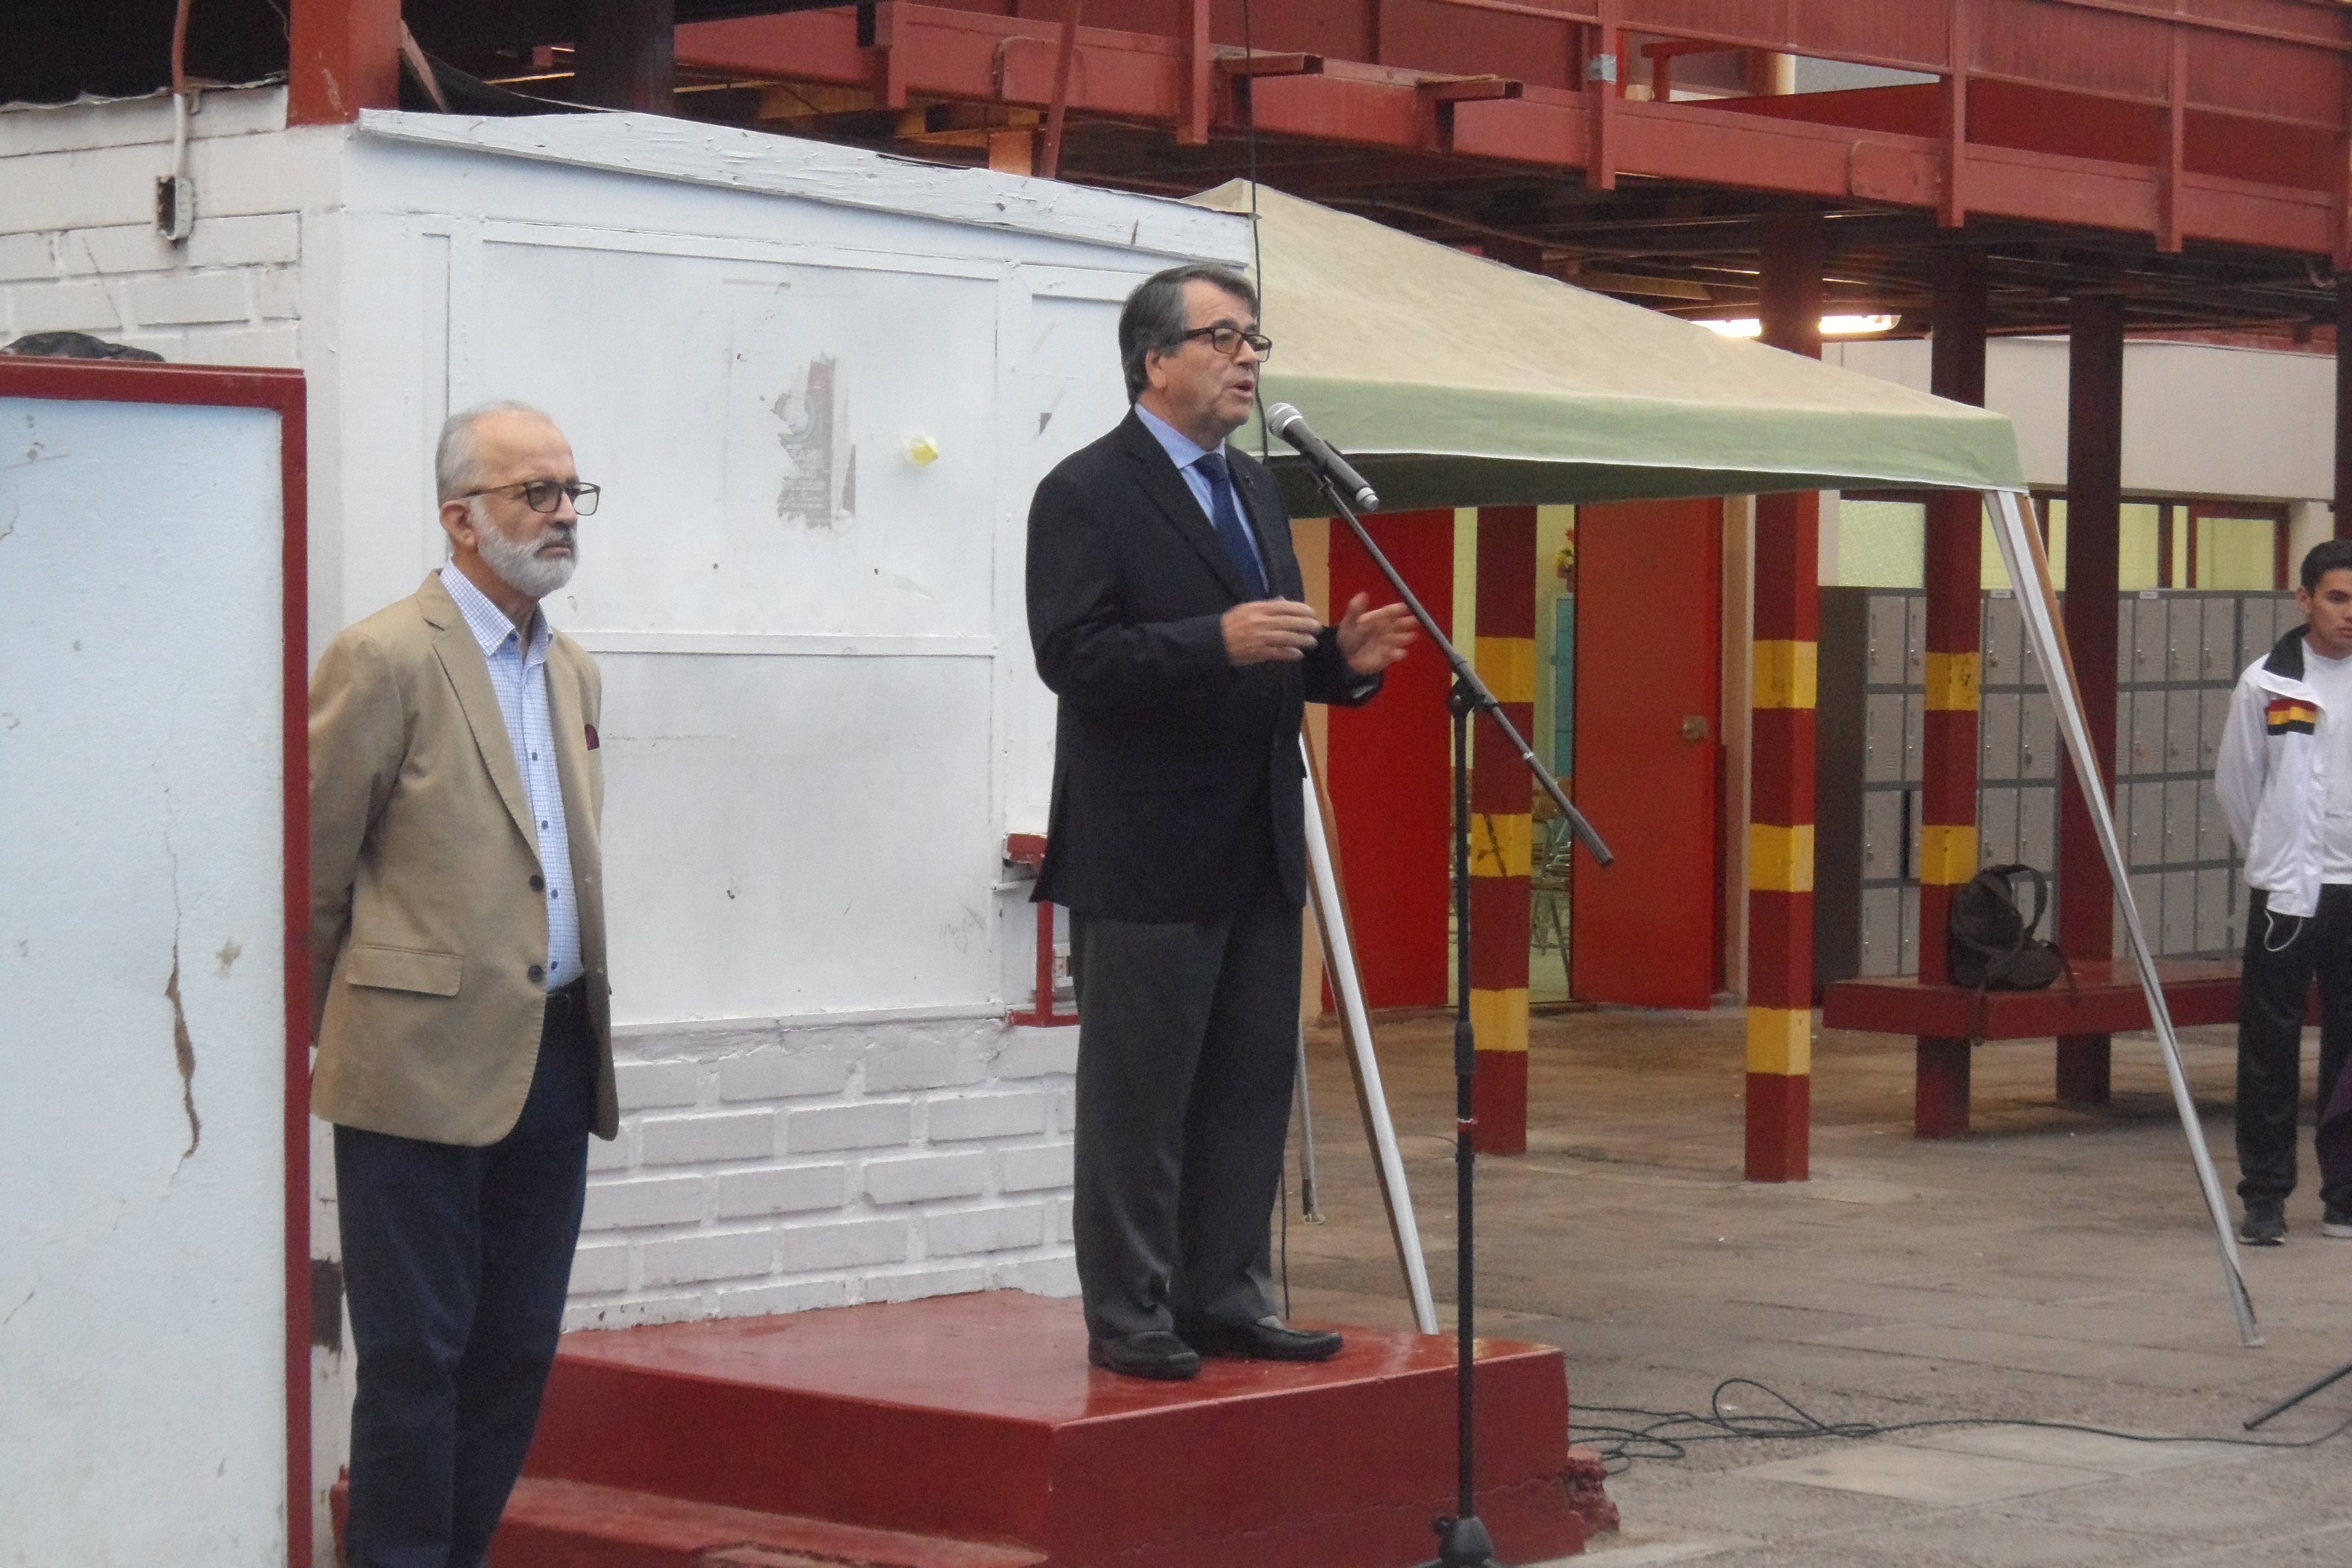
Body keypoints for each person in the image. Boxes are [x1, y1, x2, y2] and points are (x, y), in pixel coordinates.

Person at [1026, 263, 1417, 1380]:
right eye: (1224, 338)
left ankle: (1227, 1296)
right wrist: (1217, 640)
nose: (1248, 358)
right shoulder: (1086, 490)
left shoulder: (1252, 487)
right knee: (1140, 1102)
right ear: (1156, 360)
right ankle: (1133, 1313)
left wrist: (1340, 664)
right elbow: (1073, 656)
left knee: (1248, 1088)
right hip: (1145, 851)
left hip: (1257, 839)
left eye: (1256, 340)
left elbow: (1269, 655)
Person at [310, 401, 617, 1564]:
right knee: (414, 1362)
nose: (562, 513)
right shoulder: (385, 656)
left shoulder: (573, 671)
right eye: (534, 492)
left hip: (554, 1054)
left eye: (571, 491)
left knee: (514, 1353)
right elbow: (313, 871)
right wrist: (335, 1031)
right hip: (415, 1066)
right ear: (460, 519)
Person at [2216, 537, 2352, 1246]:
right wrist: (2276, 854)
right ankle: (2264, 1196)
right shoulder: (2268, 682)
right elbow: (2240, 785)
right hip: (2290, 894)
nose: (2349, 613)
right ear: (2304, 600)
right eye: (2337, 597)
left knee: (2350, 1051)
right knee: (2270, 1045)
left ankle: (2345, 1195)